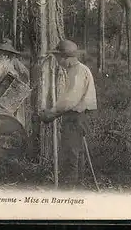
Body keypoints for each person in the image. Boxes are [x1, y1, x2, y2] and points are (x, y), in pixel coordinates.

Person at [38, 40, 97, 190]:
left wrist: (51, 113)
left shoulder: (77, 72)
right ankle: (77, 186)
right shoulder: (78, 70)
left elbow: (70, 100)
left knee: (70, 154)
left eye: (58, 57)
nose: (57, 61)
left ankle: (68, 190)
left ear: (66, 58)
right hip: (77, 116)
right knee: (76, 153)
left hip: (75, 116)